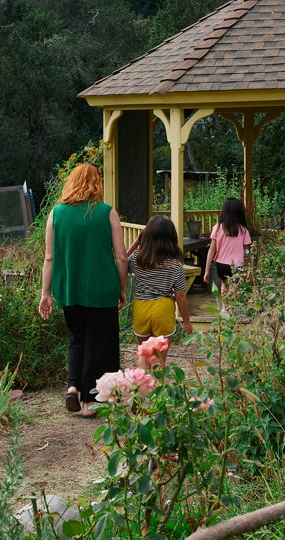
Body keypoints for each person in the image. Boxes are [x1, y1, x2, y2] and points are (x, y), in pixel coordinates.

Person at [39, 164, 128, 418]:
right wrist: (122, 288)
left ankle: (73, 386)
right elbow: (121, 257)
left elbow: (49, 258)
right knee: (97, 343)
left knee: (78, 338)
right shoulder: (107, 213)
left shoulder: (55, 214)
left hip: (69, 290)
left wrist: (45, 293)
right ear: (96, 184)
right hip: (101, 289)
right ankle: (88, 402)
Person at [126, 215, 193, 369]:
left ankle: (141, 390)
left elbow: (123, 260)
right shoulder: (175, 266)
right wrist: (187, 323)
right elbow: (180, 296)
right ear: (171, 238)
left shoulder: (137, 259)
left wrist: (137, 242)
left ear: (146, 236)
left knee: (144, 353)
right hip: (163, 309)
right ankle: (157, 391)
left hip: (141, 307)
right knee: (159, 360)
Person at [204, 198, 251, 311]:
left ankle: (224, 307)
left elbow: (211, 250)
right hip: (237, 266)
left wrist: (207, 270)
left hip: (221, 265)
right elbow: (247, 252)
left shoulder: (217, 228)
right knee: (235, 286)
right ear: (239, 212)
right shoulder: (243, 230)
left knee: (224, 283)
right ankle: (233, 308)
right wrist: (248, 268)